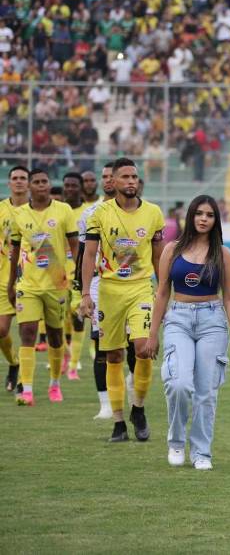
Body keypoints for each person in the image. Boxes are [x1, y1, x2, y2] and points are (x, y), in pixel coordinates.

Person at [142, 196, 230, 470]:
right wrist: (152, 334)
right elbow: (162, 292)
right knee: (178, 384)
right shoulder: (172, 250)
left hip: (212, 321)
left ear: (215, 220)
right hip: (178, 319)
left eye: (209, 215)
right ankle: (176, 442)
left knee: (206, 392)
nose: (203, 219)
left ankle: (201, 453)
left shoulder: (223, 254)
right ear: (190, 216)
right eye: (198, 213)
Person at [81, 158, 166, 442]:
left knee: (143, 349)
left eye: (134, 176)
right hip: (109, 291)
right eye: (125, 177)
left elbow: (158, 255)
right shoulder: (99, 214)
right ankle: (118, 422)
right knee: (113, 355)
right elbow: (89, 254)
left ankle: (138, 409)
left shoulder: (153, 213)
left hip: (141, 288)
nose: (131, 181)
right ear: (113, 181)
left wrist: (163, 290)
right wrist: (84, 294)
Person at [7, 169, 78, 406]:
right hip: (28, 284)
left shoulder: (64, 211)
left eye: (44, 181)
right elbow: (14, 251)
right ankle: (26, 390)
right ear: (29, 186)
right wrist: (10, 283)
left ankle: (54, 384)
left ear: (49, 185)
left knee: (56, 336)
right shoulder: (19, 214)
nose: (40, 185)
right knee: (26, 333)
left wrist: (74, 275)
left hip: (57, 283)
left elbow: (75, 245)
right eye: (35, 182)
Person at [76, 162, 116, 418]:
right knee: (101, 344)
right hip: (100, 285)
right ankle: (105, 404)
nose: (108, 181)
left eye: (113, 176)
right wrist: (84, 293)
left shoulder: (144, 212)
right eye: (105, 177)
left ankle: (133, 385)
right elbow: (84, 256)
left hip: (133, 285)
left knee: (136, 346)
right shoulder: (90, 213)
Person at [1, 166, 29, 393]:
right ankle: (13, 362)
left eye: (23, 178)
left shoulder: (35, 211)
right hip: (3, 278)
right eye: (15, 178)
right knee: (1, 330)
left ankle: (23, 380)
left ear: (28, 183)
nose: (19, 182)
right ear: (9, 183)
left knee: (26, 331)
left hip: (32, 279)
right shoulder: (1, 209)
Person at [62, 172, 88, 380]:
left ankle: (72, 366)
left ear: (81, 188)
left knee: (78, 317)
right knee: (59, 318)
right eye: (67, 185)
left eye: (74, 185)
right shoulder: (58, 210)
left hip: (79, 271)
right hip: (55, 272)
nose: (70, 189)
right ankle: (63, 354)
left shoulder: (88, 212)